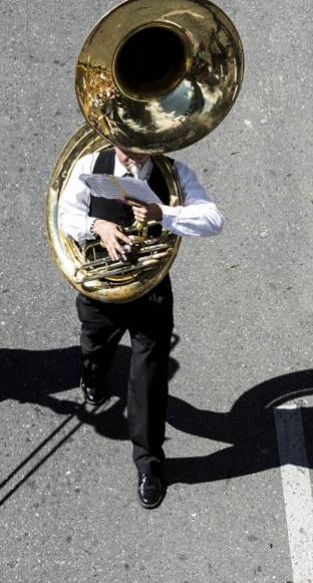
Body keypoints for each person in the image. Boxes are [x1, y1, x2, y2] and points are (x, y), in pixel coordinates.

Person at [58, 145, 223, 508]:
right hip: (101, 291)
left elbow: (213, 220)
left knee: (149, 381)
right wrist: (97, 226)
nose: (130, 156)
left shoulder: (174, 174)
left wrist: (161, 213)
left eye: (140, 146)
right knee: (94, 346)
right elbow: (63, 216)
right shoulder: (91, 163)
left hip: (151, 296)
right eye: (123, 144)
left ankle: (149, 464)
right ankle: (93, 375)